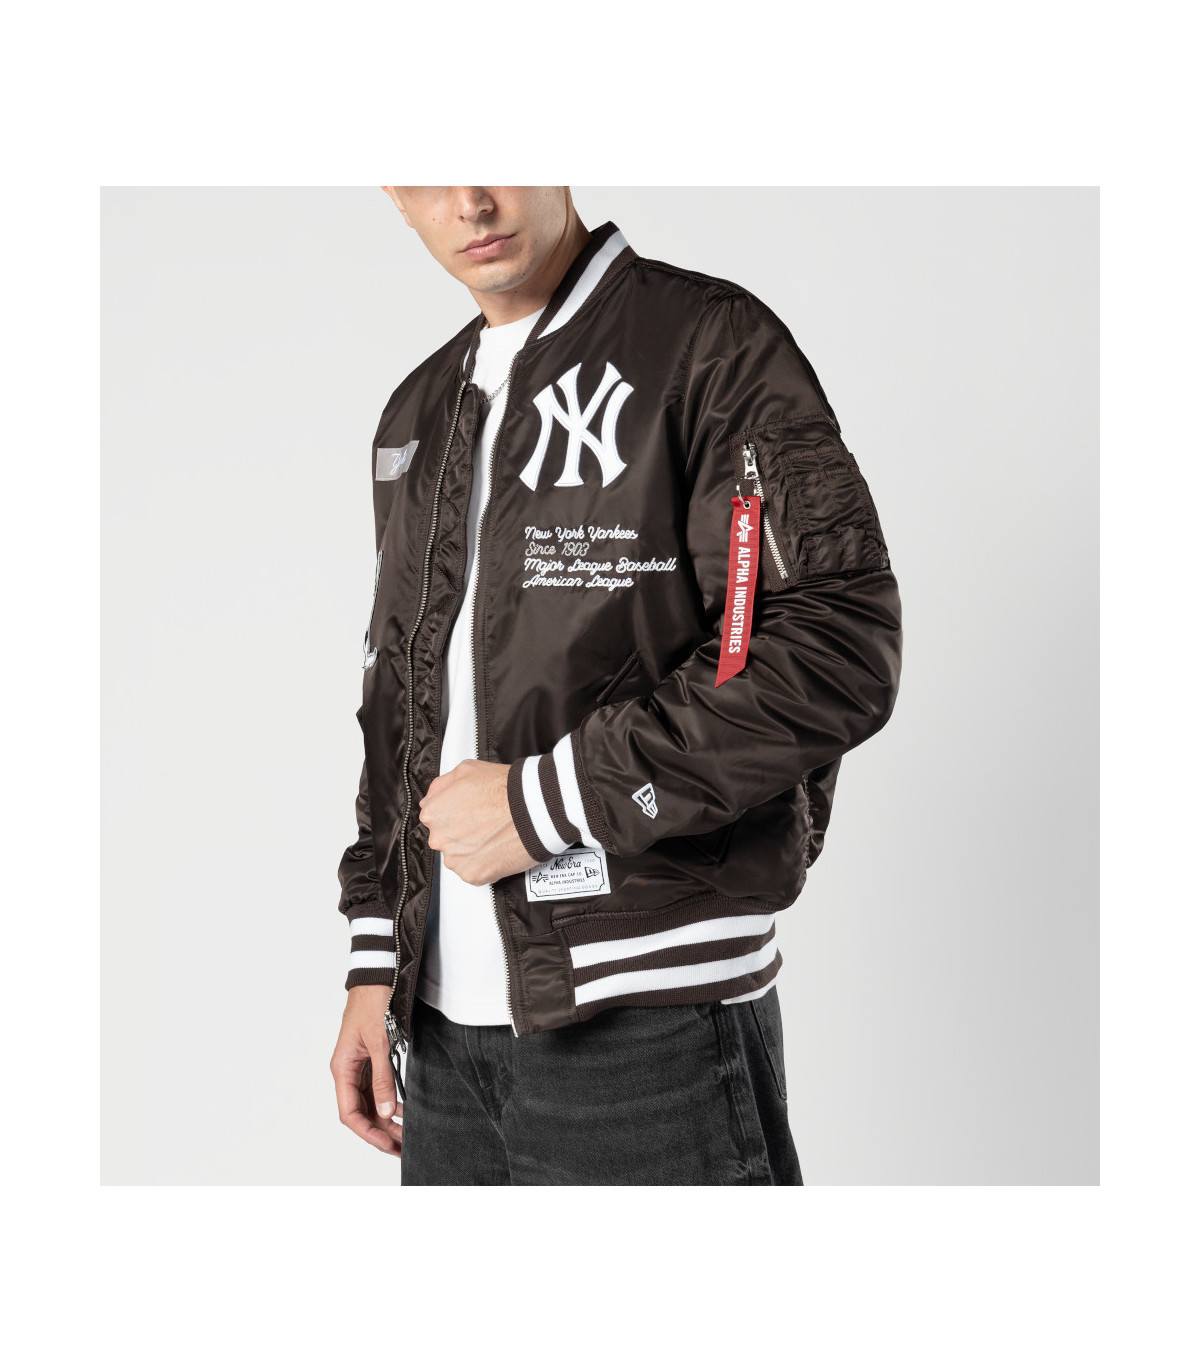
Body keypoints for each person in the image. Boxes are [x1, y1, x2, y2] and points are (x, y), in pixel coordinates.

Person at [328, 186, 903, 1185]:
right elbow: (401, 705)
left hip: (651, 1023)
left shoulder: (706, 345)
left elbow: (832, 644)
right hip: (443, 1038)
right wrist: (380, 955)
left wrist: (544, 804)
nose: (471, 201)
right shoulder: (418, 410)